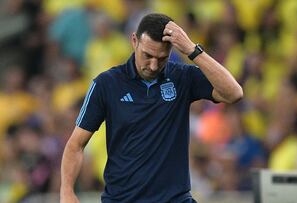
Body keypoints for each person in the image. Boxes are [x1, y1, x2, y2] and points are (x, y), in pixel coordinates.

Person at [60, 13, 243, 203]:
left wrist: (192, 50)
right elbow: (76, 144)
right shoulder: (107, 84)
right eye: (147, 56)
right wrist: (67, 191)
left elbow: (234, 93)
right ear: (134, 41)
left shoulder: (182, 78)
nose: (154, 65)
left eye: (162, 58)